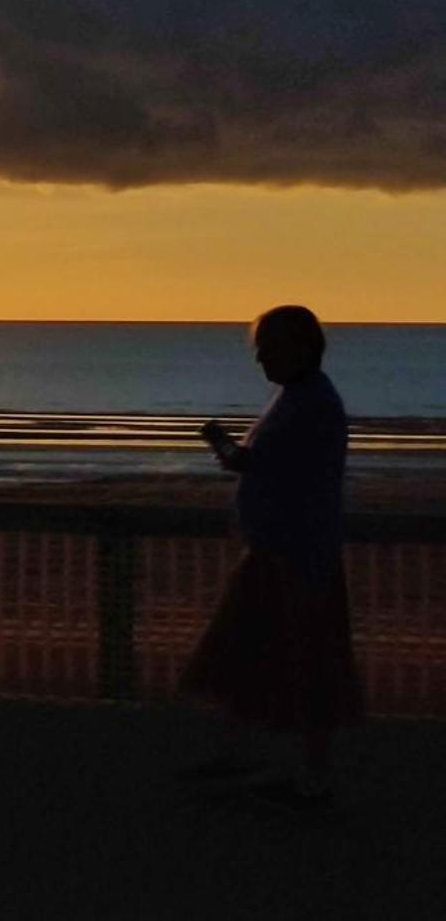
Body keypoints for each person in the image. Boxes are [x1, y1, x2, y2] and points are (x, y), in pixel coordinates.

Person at [179, 305, 363, 805]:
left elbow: (269, 466)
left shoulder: (312, 404)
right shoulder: (294, 399)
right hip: (275, 552)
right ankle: (252, 754)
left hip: (298, 557)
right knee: (254, 657)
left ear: (299, 348)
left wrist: (228, 450)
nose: (261, 362)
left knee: (306, 663)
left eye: (268, 351)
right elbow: (259, 465)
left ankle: (312, 775)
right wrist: (226, 448)